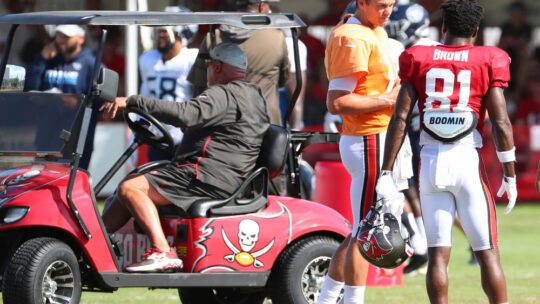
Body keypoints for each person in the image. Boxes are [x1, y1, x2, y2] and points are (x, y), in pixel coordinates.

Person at [375, 1, 516, 303]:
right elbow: (501, 123)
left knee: (439, 255)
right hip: (466, 160)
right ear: (476, 31)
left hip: (430, 162)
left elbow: (399, 118)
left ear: (443, 27)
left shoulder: (419, 57)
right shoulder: (489, 58)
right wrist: (510, 173)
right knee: (488, 252)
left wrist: (386, 172)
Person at [100, 43, 270, 273]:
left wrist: (133, 101)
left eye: (208, 66)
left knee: (132, 188)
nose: (206, 71)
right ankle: (91, 244)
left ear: (217, 66)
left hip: (206, 178)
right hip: (224, 177)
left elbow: (187, 114)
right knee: (127, 189)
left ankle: (162, 251)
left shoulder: (224, 93)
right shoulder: (253, 94)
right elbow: (206, 124)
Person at [317, 1, 403, 303]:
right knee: (367, 230)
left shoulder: (371, 30)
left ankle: (328, 298)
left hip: (377, 135)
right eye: (381, 5)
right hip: (368, 137)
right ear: (362, 2)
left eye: (391, 4)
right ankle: (348, 300)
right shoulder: (352, 35)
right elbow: (337, 102)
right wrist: (389, 100)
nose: (388, 11)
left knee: (363, 228)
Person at [187, 0, 289, 126]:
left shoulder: (212, 37)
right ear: (262, 7)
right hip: (265, 126)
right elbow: (283, 80)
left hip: (221, 127)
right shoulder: (277, 38)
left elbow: (199, 86)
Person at [24, 24, 97, 170]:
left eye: (66, 37)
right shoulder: (48, 59)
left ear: (81, 39)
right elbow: (30, 87)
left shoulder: (90, 63)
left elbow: (98, 97)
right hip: (46, 134)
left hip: (75, 136)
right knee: (42, 177)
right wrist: (41, 59)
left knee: (71, 179)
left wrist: (74, 103)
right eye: (58, 36)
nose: (61, 40)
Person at [139, 6, 199, 161]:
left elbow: (199, 97)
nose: (160, 34)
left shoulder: (191, 59)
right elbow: (144, 95)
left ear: (179, 32)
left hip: (184, 138)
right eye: (159, 30)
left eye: (165, 30)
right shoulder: (148, 60)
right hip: (158, 138)